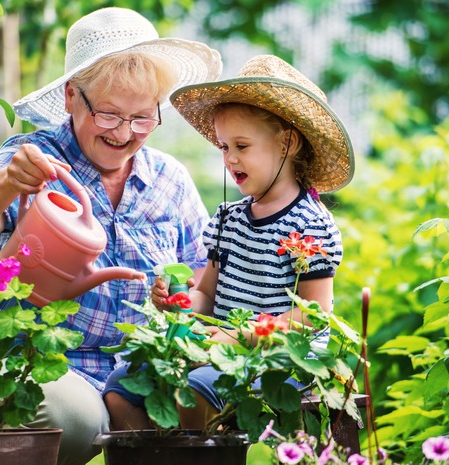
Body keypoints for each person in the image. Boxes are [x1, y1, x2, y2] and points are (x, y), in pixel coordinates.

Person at [0, 7, 222, 465]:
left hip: (131, 371)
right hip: (24, 357)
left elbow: (198, 283)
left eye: (142, 118)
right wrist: (8, 184)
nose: (125, 134)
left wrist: (182, 300)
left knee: (198, 400)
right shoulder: (31, 159)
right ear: (72, 96)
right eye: (109, 115)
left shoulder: (170, 181)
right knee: (68, 420)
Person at [103, 54, 355, 430]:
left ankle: (196, 452)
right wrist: (180, 303)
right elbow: (207, 295)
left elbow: (311, 317)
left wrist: (239, 335)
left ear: (287, 143)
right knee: (120, 387)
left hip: (278, 360)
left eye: (242, 145)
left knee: (192, 389)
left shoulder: (310, 225)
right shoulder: (227, 219)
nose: (230, 158)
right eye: (223, 147)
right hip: (218, 350)